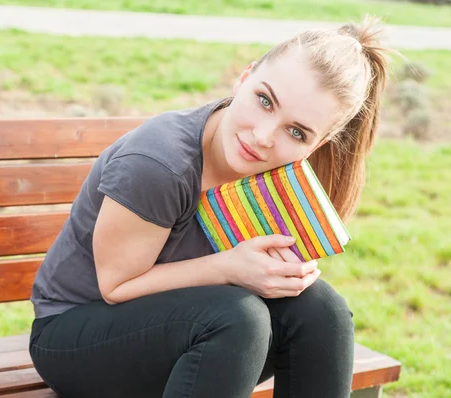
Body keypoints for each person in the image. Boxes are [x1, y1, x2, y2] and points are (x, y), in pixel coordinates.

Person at [29, 15, 393, 398]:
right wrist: (230, 267)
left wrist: (278, 273)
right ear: (244, 78)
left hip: (188, 330)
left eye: (296, 131)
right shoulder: (160, 162)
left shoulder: (281, 177)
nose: (263, 137)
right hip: (74, 336)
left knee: (321, 312)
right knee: (238, 318)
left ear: (317, 145)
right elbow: (116, 287)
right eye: (264, 100)